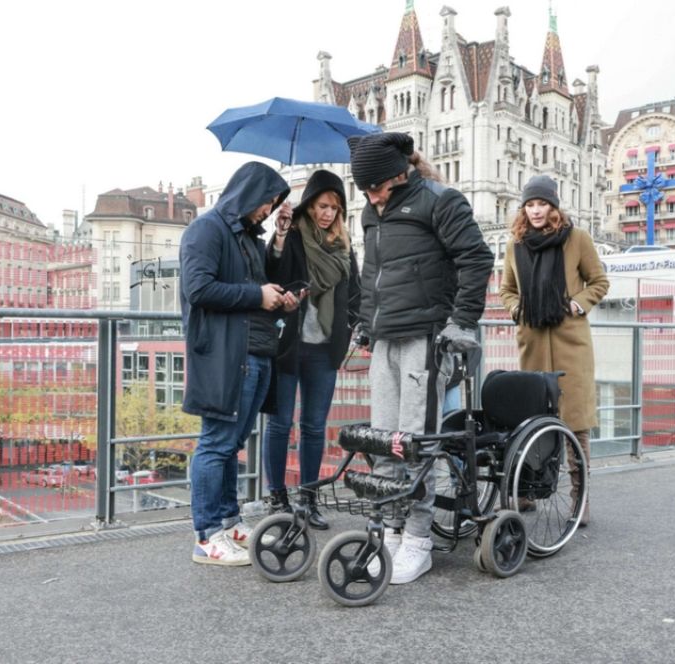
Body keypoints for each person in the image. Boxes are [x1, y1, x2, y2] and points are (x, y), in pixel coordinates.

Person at [348, 132, 493, 584]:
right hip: (387, 340)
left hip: (427, 339)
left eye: (377, 188)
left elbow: (477, 259)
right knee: (384, 441)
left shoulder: (441, 201)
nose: (372, 198)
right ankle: (390, 531)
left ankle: (417, 540)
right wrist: (366, 322)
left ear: (400, 173)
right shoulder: (373, 214)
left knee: (416, 441)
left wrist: (462, 321)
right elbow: (373, 274)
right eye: (365, 191)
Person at [179, 161, 298, 566]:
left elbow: (256, 286)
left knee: (231, 445)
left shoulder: (245, 236)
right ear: (247, 194)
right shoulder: (207, 229)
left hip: (255, 352)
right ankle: (207, 536)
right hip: (225, 355)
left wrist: (275, 295)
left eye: (272, 203)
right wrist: (256, 296)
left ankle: (228, 523)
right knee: (215, 444)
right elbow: (198, 288)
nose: (267, 210)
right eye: (266, 201)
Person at [499, 174, 610, 527]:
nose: (535, 211)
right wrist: (517, 309)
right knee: (532, 421)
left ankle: (580, 497)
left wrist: (577, 304)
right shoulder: (515, 244)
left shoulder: (577, 239)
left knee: (575, 423)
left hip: (571, 345)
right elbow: (506, 289)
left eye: (542, 204)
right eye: (530, 204)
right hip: (532, 343)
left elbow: (599, 281)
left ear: (554, 206)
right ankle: (529, 491)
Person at [260, 169, 361, 529]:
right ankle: (277, 500)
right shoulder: (295, 238)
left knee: (315, 426)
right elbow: (272, 269)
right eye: (322, 205)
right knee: (280, 423)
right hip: (289, 344)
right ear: (309, 206)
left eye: (334, 208)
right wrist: (281, 234)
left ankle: (308, 499)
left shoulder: (343, 248)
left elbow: (355, 296)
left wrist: (348, 328)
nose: (327, 213)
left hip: (323, 350)